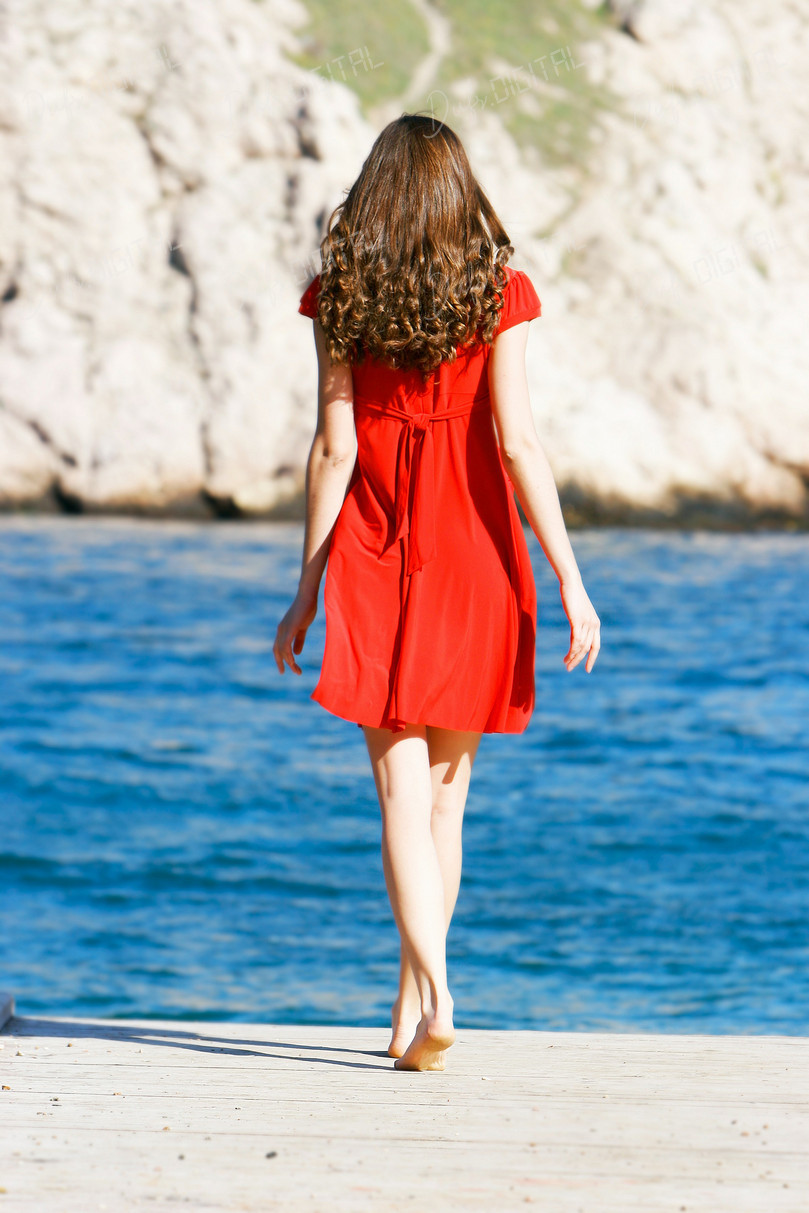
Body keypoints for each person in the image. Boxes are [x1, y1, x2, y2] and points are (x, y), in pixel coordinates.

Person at [274, 113, 600, 1073]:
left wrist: (304, 589)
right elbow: (518, 445)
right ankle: (415, 1005)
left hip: (378, 550)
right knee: (447, 804)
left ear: (374, 194)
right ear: (461, 193)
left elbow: (334, 448)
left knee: (396, 794)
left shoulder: (341, 297)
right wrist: (570, 581)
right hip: (478, 554)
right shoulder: (499, 293)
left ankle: (435, 993)